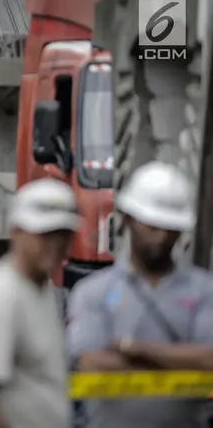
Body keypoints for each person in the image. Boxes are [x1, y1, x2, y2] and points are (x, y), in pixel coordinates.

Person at [68, 161, 213, 428]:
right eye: (153, 226)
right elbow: (93, 364)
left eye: (170, 229)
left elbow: (209, 360)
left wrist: (134, 349)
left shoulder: (203, 289)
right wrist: (181, 361)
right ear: (127, 220)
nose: (161, 238)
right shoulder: (93, 292)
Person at [0, 178, 79, 428]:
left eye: (62, 236)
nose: (54, 246)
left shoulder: (41, 288)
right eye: (43, 235)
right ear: (16, 233)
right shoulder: (2, 295)